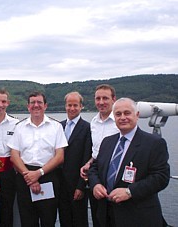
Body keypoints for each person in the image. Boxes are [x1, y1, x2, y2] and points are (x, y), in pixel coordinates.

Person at [88, 97, 170, 227]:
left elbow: (161, 177)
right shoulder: (107, 142)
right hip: (106, 215)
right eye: (118, 114)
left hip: (137, 217)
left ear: (137, 115)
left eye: (127, 113)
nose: (122, 117)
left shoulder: (154, 143)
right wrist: (95, 184)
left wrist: (129, 192)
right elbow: (94, 168)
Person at [8, 91, 68, 227]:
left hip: (48, 176)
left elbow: (60, 156)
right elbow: (14, 155)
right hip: (24, 177)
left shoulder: (56, 127)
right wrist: (29, 176)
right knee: (27, 220)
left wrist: (38, 173)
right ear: (28, 106)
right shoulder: (19, 127)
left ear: (45, 106)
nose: (36, 105)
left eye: (39, 102)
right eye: (33, 103)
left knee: (48, 220)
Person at [80, 84, 119, 227]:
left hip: (115, 174)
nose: (101, 102)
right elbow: (96, 152)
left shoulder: (119, 121)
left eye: (105, 98)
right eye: (98, 98)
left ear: (114, 99)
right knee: (98, 217)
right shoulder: (94, 123)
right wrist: (88, 163)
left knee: (116, 218)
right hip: (96, 174)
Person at [58, 91, 92, 227]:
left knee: (79, 220)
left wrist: (81, 186)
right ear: (65, 106)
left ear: (81, 106)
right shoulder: (58, 126)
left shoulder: (87, 128)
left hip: (76, 184)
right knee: (64, 218)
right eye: (69, 105)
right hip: (60, 183)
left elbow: (87, 158)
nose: (72, 108)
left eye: (75, 105)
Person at [0, 89, 19, 227]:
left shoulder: (16, 123)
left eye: (3, 101)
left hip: (9, 171)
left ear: (8, 103)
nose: (0, 104)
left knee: (7, 209)